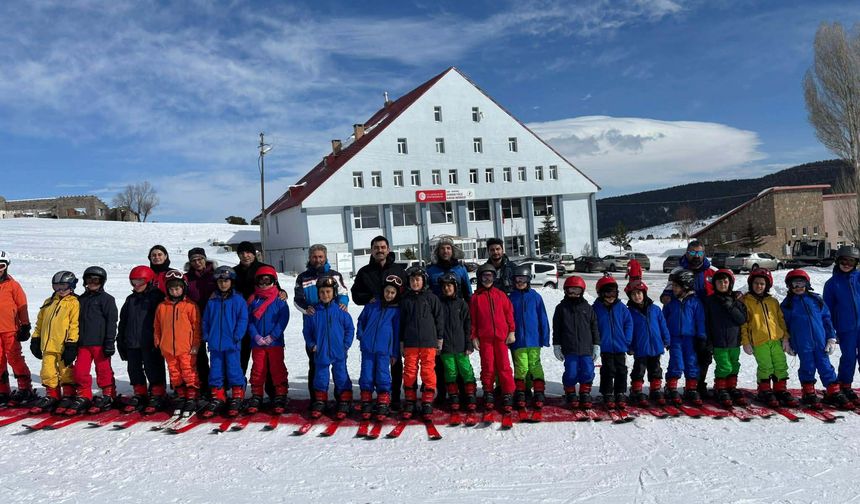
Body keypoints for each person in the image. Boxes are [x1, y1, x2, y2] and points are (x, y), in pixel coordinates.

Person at [781, 269, 851, 409]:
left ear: (807, 284)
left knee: (825, 366)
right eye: (795, 284)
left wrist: (831, 337)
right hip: (802, 343)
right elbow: (783, 325)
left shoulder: (816, 300)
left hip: (820, 342)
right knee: (807, 366)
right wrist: (786, 340)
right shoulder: (787, 305)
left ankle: (833, 392)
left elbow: (826, 319)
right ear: (790, 286)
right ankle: (808, 393)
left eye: (801, 284)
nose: (798, 288)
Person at [351, 235, 406, 410]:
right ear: (372, 250)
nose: (379, 250)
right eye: (376, 247)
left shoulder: (398, 270)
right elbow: (356, 294)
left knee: (394, 361)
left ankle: (394, 396)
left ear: (388, 249)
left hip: (393, 320)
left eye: (382, 247)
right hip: (373, 319)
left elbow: (407, 291)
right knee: (370, 363)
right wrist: (370, 298)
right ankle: (369, 394)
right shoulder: (365, 272)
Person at [293, 244, 349, 402]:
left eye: (320, 257)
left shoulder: (334, 275)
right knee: (316, 365)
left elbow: (344, 293)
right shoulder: (303, 277)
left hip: (333, 326)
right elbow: (297, 299)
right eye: (314, 257)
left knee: (339, 367)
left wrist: (343, 303)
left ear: (325, 257)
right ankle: (317, 399)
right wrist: (306, 309)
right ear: (309, 258)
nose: (317, 259)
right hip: (315, 327)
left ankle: (342, 399)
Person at [663, 241, 715, 398]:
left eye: (699, 253)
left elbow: (724, 286)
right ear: (687, 253)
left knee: (704, 355)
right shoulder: (678, 271)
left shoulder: (711, 272)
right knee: (680, 359)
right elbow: (668, 291)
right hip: (683, 318)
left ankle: (698, 384)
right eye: (693, 253)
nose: (696, 256)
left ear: (704, 254)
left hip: (706, 319)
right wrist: (666, 297)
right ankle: (676, 386)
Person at [740, 268, 797, 407]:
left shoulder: (773, 301)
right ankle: (764, 390)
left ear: (767, 285)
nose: (759, 286)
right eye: (756, 283)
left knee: (780, 364)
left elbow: (780, 320)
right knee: (765, 366)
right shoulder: (746, 301)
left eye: (762, 284)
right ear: (751, 284)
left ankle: (780, 389)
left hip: (776, 340)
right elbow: (744, 324)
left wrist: (785, 337)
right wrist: (746, 342)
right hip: (759, 341)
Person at [117, 266, 168, 414]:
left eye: (140, 281)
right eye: (133, 282)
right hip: (132, 341)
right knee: (133, 369)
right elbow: (123, 321)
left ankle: (158, 393)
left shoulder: (157, 297)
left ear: (149, 280)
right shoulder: (130, 299)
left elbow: (162, 320)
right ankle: (140, 393)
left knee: (153, 368)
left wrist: (160, 339)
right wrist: (121, 340)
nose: (136, 285)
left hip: (150, 342)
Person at [232, 241, 287, 376]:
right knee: (241, 355)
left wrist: (282, 292)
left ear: (254, 253)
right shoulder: (234, 272)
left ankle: (271, 390)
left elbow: (275, 287)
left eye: (248, 252)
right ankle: (238, 387)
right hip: (241, 317)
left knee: (266, 356)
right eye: (242, 253)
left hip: (263, 318)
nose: (245, 256)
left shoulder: (265, 268)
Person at [68, 266, 118, 415]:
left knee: (103, 370)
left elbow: (112, 321)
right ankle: (84, 395)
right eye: (89, 280)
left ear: (102, 282)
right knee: (80, 371)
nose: (92, 283)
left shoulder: (107, 299)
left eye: (96, 280)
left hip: (100, 343)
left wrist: (109, 341)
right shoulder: (80, 300)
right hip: (83, 344)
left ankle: (108, 394)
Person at [304, 276, 355, 419]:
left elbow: (350, 329)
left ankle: (344, 400)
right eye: (322, 292)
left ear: (334, 293)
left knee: (341, 375)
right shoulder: (313, 313)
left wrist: (345, 345)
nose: (325, 295)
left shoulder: (341, 311)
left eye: (328, 292)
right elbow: (307, 331)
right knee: (320, 376)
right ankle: (320, 400)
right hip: (321, 352)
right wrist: (312, 344)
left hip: (338, 351)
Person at [29, 271, 80, 413]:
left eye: (63, 287)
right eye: (56, 287)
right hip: (47, 345)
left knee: (66, 371)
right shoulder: (49, 302)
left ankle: (69, 395)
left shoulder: (74, 303)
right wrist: (36, 338)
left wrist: (71, 343)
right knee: (47, 371)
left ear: (72, 286)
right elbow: (40, 322)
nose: (60, 291)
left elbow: (74, 325)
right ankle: (52, 395)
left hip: (63, 345)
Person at [201, 266, 248, 418]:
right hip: (215, 343)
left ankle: (237, 394)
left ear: (231, 282)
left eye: (226, 281)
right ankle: (218, 394)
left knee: (234, 369)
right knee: (215, 370)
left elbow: (243, 318)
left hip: (232, 343)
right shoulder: (212, 300)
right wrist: (206, 334)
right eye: (220, 281)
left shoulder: (238, 299)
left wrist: (238, 334)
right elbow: (206, 319)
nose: (223, 284)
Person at [398, 266, 445, 419]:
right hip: (411, 342)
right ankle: (410, 400)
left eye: (417, 279)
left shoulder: (432, 298)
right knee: (410, 371)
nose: (415, 282)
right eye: (412, 280)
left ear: (423, 281)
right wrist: (402, 341)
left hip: (428, 342)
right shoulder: (406, 300)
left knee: (428, 370)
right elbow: (402, 322)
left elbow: (439, 319)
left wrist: (439, 339)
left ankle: (427, 400)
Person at [470, 263, 516, 412]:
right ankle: (488, 392)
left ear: (494, 277)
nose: (487, 279)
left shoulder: (501, 295)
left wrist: (511, 331)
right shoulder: (476, 298)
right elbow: (473, 319)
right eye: (484, 276)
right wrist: (474, 336)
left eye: (489, 276)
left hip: (501, 338)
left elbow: (509, 314)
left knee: (504, 366)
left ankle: (507, 392)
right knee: (488, 367)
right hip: (485, 339)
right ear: (479, 278)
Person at [154, 269, 202, 414]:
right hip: (168, 348)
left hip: (186, 348)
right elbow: (157, 325)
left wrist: (195, 344)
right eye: (172, 289)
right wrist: (158, 340)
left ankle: (192, 396)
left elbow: (196, 326)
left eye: (177, 288)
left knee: (188, 372)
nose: (175, 291)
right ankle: (181, 396)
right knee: (174, 373)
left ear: (184, 288)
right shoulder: (162, 307)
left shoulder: (190, 306)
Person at [245, 265, 290, 414]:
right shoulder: (252, 300)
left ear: (274, 281)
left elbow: (283, 319)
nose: (264, 284)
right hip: (258, 343)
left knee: (277, 369)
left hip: (274, 342)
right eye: (261, 281)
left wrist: (273, 336)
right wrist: (256, 336)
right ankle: (257, 395)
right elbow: (249, 320)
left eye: (267, 281)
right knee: (258, 369)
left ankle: (280, 395)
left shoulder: (279, 299)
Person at [355, 276, 401, 420]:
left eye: (393, 293)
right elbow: (361, 320)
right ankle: (367, 399)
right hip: (368, 348)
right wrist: (361, 335)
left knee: (383, 375)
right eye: (387, 291)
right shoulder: (372, 306)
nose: (389, 295)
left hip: (384, 350)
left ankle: (383, 399)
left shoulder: (396, 311)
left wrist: (394, 353)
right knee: (366, 374)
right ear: (383, 291)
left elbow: (396, 332)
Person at [552, 276, 599, 409]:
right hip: (569, 348)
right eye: (570, 291)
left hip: (586, 348)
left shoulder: (588, 308)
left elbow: (594, 327)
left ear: (582, 291)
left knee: (588, 371)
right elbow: (557, 328)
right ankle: (570, 392)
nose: (573, 294)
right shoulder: (561, 308)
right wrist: (556, 345)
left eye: (576, 291)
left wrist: (596, 345)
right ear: (565, 291)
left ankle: (585, 392)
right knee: (571, 372)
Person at [703, 269, 748, 408]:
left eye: (725, 281)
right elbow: (706, 322)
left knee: (734, 364)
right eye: (719, 281)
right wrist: (708, 341)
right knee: (724, 366)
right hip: (718, 342)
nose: (723, 284)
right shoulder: (710, 301)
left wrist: (731, 306)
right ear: (714, 284)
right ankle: (720, 388)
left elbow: (742, 319)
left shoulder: (736, 300)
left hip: (734, 341)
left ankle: (731, 387)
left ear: (730, 283)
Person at [508, 265, 550, 411]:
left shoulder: (535, 297)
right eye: (517, 279)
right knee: (521, 367)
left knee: (535, 366)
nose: (520, 282)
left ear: (528, 280)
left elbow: (543, 318)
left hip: (534, 340)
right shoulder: (511, 298)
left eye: (523, 279)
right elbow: (507, 319)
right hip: (518, 340)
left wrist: (545, 337)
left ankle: (538, 391)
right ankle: (521, 391)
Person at [662, 269, 706, 406]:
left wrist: (701, 337)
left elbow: (700, 321)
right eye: (673, 286)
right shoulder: (671, 302)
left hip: (690, 339)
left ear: (685, 286)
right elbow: (664, 320)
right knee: (676, 362)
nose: (673, 289)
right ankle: (671, 387)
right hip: (674, 338)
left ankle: (691, 388)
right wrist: (665, 337)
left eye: (676, 286)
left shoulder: (695, 302)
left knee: (691, 362)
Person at [823, 245, 860, 405]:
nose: (847, 264)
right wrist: (831, 331)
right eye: (844, 261)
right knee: (849, 358)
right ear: (838, 261)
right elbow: (827, 310)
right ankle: (845, 385)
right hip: (846, 328)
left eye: (851, 261)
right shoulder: (832, 284)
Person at [436, 273, 477, 416]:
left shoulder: (462, 304)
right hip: (445, 347)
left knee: (466, 370)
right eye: (444, 286)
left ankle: (470, 394)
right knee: (450, 371)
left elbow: (468, 325)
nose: (447, 288)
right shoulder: (438, 304)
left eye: (450, 285)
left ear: (455, 287)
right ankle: (454, 395)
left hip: (461, 346)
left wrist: (469, 343)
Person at [624, 280, 670, 407]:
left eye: (639, 293)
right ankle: (636, 390)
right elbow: (628, 330)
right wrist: (629, 346)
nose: (636, 296)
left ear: (644, 293)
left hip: (655, 346)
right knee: (639, 370)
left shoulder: (655, 309)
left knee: (655, 369)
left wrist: (666, 339)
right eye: (633, 295)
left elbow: (663, 326)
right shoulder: (629, 312)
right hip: (640, 347)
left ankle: (655, 390)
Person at [0, 251, 36, 406]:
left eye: (1, 265)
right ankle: (2, 390)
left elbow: (22, 306)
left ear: (7, 266)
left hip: (11, 329)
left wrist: (25, 325)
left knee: (14, 358)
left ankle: (25, 388)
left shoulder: (13, 285)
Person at [593, 275, 633, 409]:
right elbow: (593, 326)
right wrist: (596, 341)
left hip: (620, 346)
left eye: (614, 293)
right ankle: (607, 392)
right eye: (607, 293)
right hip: (605, 346)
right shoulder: (596, 308)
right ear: (600, 293)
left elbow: (628, 323)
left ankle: (620, 392)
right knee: (608, 370)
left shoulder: (621, 307)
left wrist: (627, 339)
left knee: (621, 370)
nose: (611, 296)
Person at [185, 247, 216, 397]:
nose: (197, 263)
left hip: (215, 319)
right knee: (199, 354)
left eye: (200, 259)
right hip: (195, 320)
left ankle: (218, 385)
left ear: (205, 259)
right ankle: (204, 384)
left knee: (217, 353)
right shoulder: (186, 278)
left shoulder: (215, 275)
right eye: (193, 261)